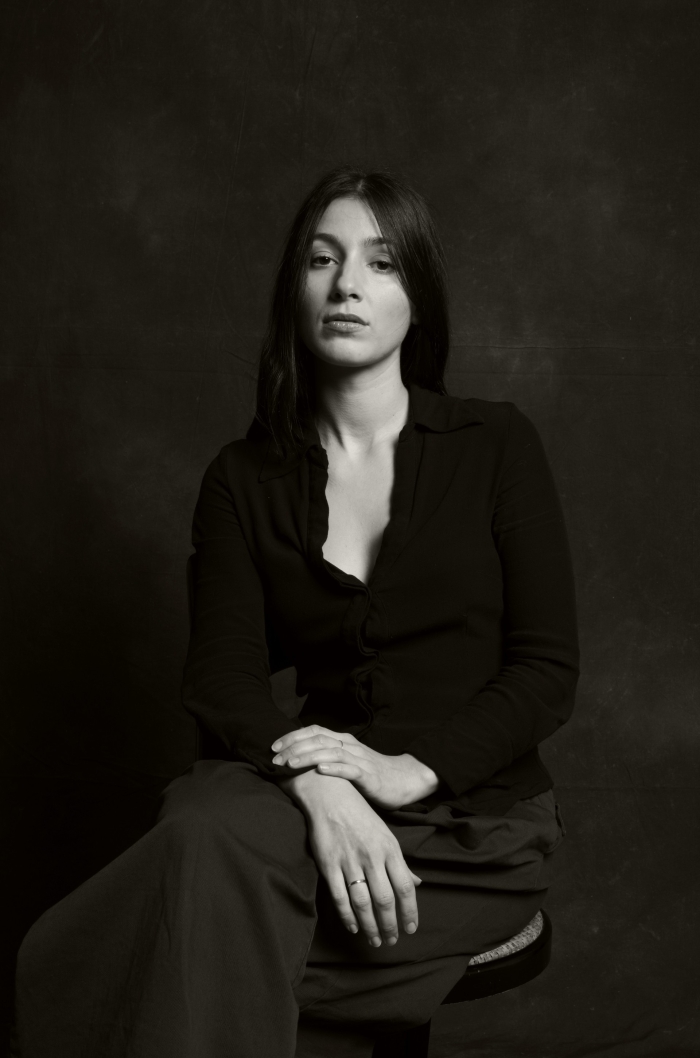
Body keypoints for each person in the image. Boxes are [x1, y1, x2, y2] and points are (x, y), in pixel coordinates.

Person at [13, 168, 579, 1058]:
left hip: (472, 825)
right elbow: (222, 677)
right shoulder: (241, 479)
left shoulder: (496, 444)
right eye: (323, 260)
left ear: (418, 299)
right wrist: (319, 787)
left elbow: (546, 670)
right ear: (296, 289)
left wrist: (410, 771)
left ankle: (56, 983)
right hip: (306, 806)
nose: (347, 284)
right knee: (204, 826)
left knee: (189, 926)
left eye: (381, 264)